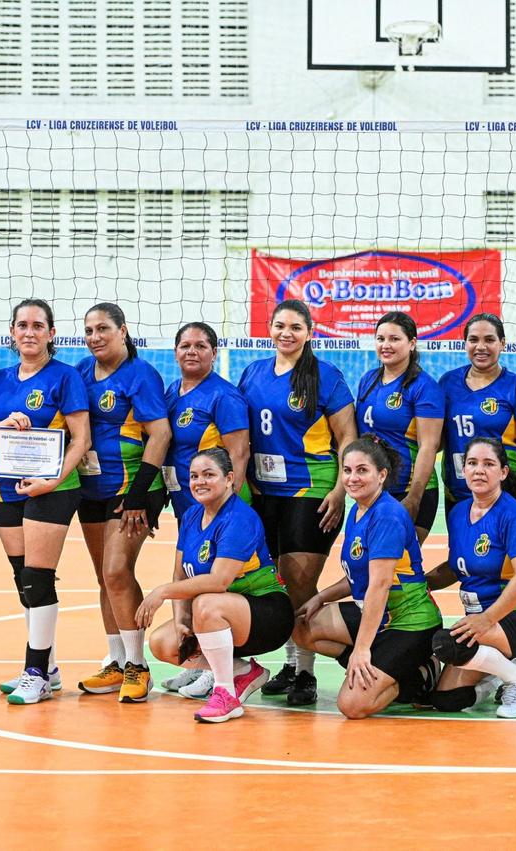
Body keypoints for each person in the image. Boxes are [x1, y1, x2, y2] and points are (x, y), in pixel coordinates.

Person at [238, 298, 357, 706]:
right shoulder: (253, 372)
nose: (286, 333)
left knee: (301, 580)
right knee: (279, 581)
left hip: (312, 490)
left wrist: (341, 491)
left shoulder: (326, 376)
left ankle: (307, 672)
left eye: (295, 327)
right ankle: (291, 663)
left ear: (310, 333)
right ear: (269, 329)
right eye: (279, 325)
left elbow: (348, 439)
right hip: (263, 492)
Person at [0, 298, 90, 705]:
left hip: (53, 488)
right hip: (8, 487)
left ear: (51, 334)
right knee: (24, 580)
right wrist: (4, 423)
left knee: (38, 579)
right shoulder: (1, 380)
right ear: (12, 332)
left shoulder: (65, 377)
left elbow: (82, 439)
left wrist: (52, 479)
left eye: (38, 325)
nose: (29, 332)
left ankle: (35, 672)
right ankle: (50, 668)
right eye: (22, 325)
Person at [136, 449, 294, 723]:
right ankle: (241, 671)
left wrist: (160, 592)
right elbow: (180, 575)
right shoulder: (191, 516)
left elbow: (219, 581)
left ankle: (226, 694)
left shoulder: (239, 518)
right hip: (223, 613)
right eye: (195, 476)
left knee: (206, 602)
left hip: (266, 613)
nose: (200, 482)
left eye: (209, 475)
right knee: (163, 643)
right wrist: (181, 622)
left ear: (229, 478)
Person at [292, 436, 442, 719]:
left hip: (408, 621)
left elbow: (379, 586)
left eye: (362, 470)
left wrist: (361, 650)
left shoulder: (387, 516)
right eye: (347, 470)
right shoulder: (358, 511)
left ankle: (420, 676)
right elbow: (357, 577)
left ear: (381, 475)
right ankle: (383, 666)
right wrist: (319, 598)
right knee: (302, 626)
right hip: (376, 614)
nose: (352, 478)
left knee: (352, 705)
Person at [73, 303, 171, 704]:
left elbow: (161, 435)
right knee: (103, 578)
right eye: (89, 330)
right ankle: (116, 663)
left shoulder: (140, 374)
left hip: (132, 490)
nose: (95, 336)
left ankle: (138, 665)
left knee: (117, 571)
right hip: (91, 488)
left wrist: (140, 495)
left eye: (103, 329)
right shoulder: (81, 370)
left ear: (123, 331)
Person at [425, 438, 516, 718]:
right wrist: (421, 583)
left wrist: (487, 619)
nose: (479, 470)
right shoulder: (459, 512)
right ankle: (499, 674)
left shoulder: (515, 516)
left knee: (450, 644)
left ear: (503, 472)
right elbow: (457, 566)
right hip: (484, 619)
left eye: (488, 464)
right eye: (472, 463)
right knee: (447, 699)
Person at [159, 322, 252, 697]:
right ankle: (199, 660)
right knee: (189, 575)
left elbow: (239, 453)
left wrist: (228, 507)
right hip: (186, 505)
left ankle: (220, 669)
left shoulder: (223, 397)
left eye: (201, 345)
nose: (192, 351)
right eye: (185, 345)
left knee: (213, 584)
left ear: (214, 352)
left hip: (213, 510)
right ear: (175, 351)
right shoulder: (172, 392)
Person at [439, 313, 516, 517]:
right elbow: (437, 440)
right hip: (458, 495)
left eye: (489, 340)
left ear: (502, 343)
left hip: (503, 496)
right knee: (460, 550)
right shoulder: (447, 382)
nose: (481, 347)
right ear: (465, 343)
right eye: (473, 339)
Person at [355, 312, 443, 542]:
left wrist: (414, 497)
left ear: (412, 343)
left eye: (394, 339)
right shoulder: (368, 380)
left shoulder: (424, 387)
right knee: (365, 564)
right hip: (373, 489)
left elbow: (429, 446)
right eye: (380, 338)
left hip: (408, 489)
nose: (386, 345)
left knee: (398, 566)